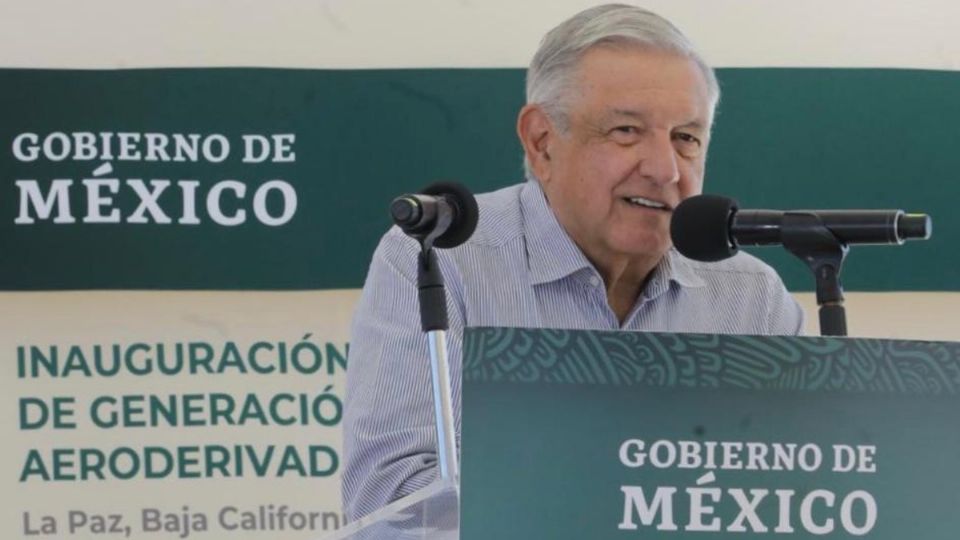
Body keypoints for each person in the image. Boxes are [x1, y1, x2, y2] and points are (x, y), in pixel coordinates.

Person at [342, 3, 804, 521]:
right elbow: (389, 504)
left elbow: (791, 498)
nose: (664, 169)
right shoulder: (441, 259)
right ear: (542, 142)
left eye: (686, 138)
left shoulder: (750, 297)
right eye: (626, 131)